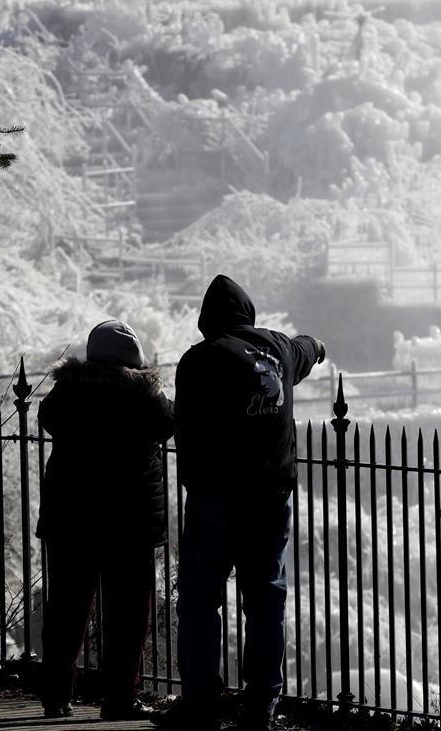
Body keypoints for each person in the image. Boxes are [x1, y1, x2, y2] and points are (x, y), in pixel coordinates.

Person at [154, 275, 325, 731]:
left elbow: (184, 424)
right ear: (248, 314)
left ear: (207, 321)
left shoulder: (200, 359)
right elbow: (310, 346)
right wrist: (318, 345)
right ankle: (261, 706)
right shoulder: (280, 349)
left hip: (215, 497)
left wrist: (193, 477)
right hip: (271, 497)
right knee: (266, 599)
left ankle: (201, 703)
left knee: (200, 600)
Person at [36, 319, 175, 721]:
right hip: (129, 522)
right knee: (129, 615)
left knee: (66, 609)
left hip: (71, 518)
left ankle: (56, 695)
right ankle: (119, 699)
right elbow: (171, 422)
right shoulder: (145, 398)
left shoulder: (69, 392)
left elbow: (48, 415)